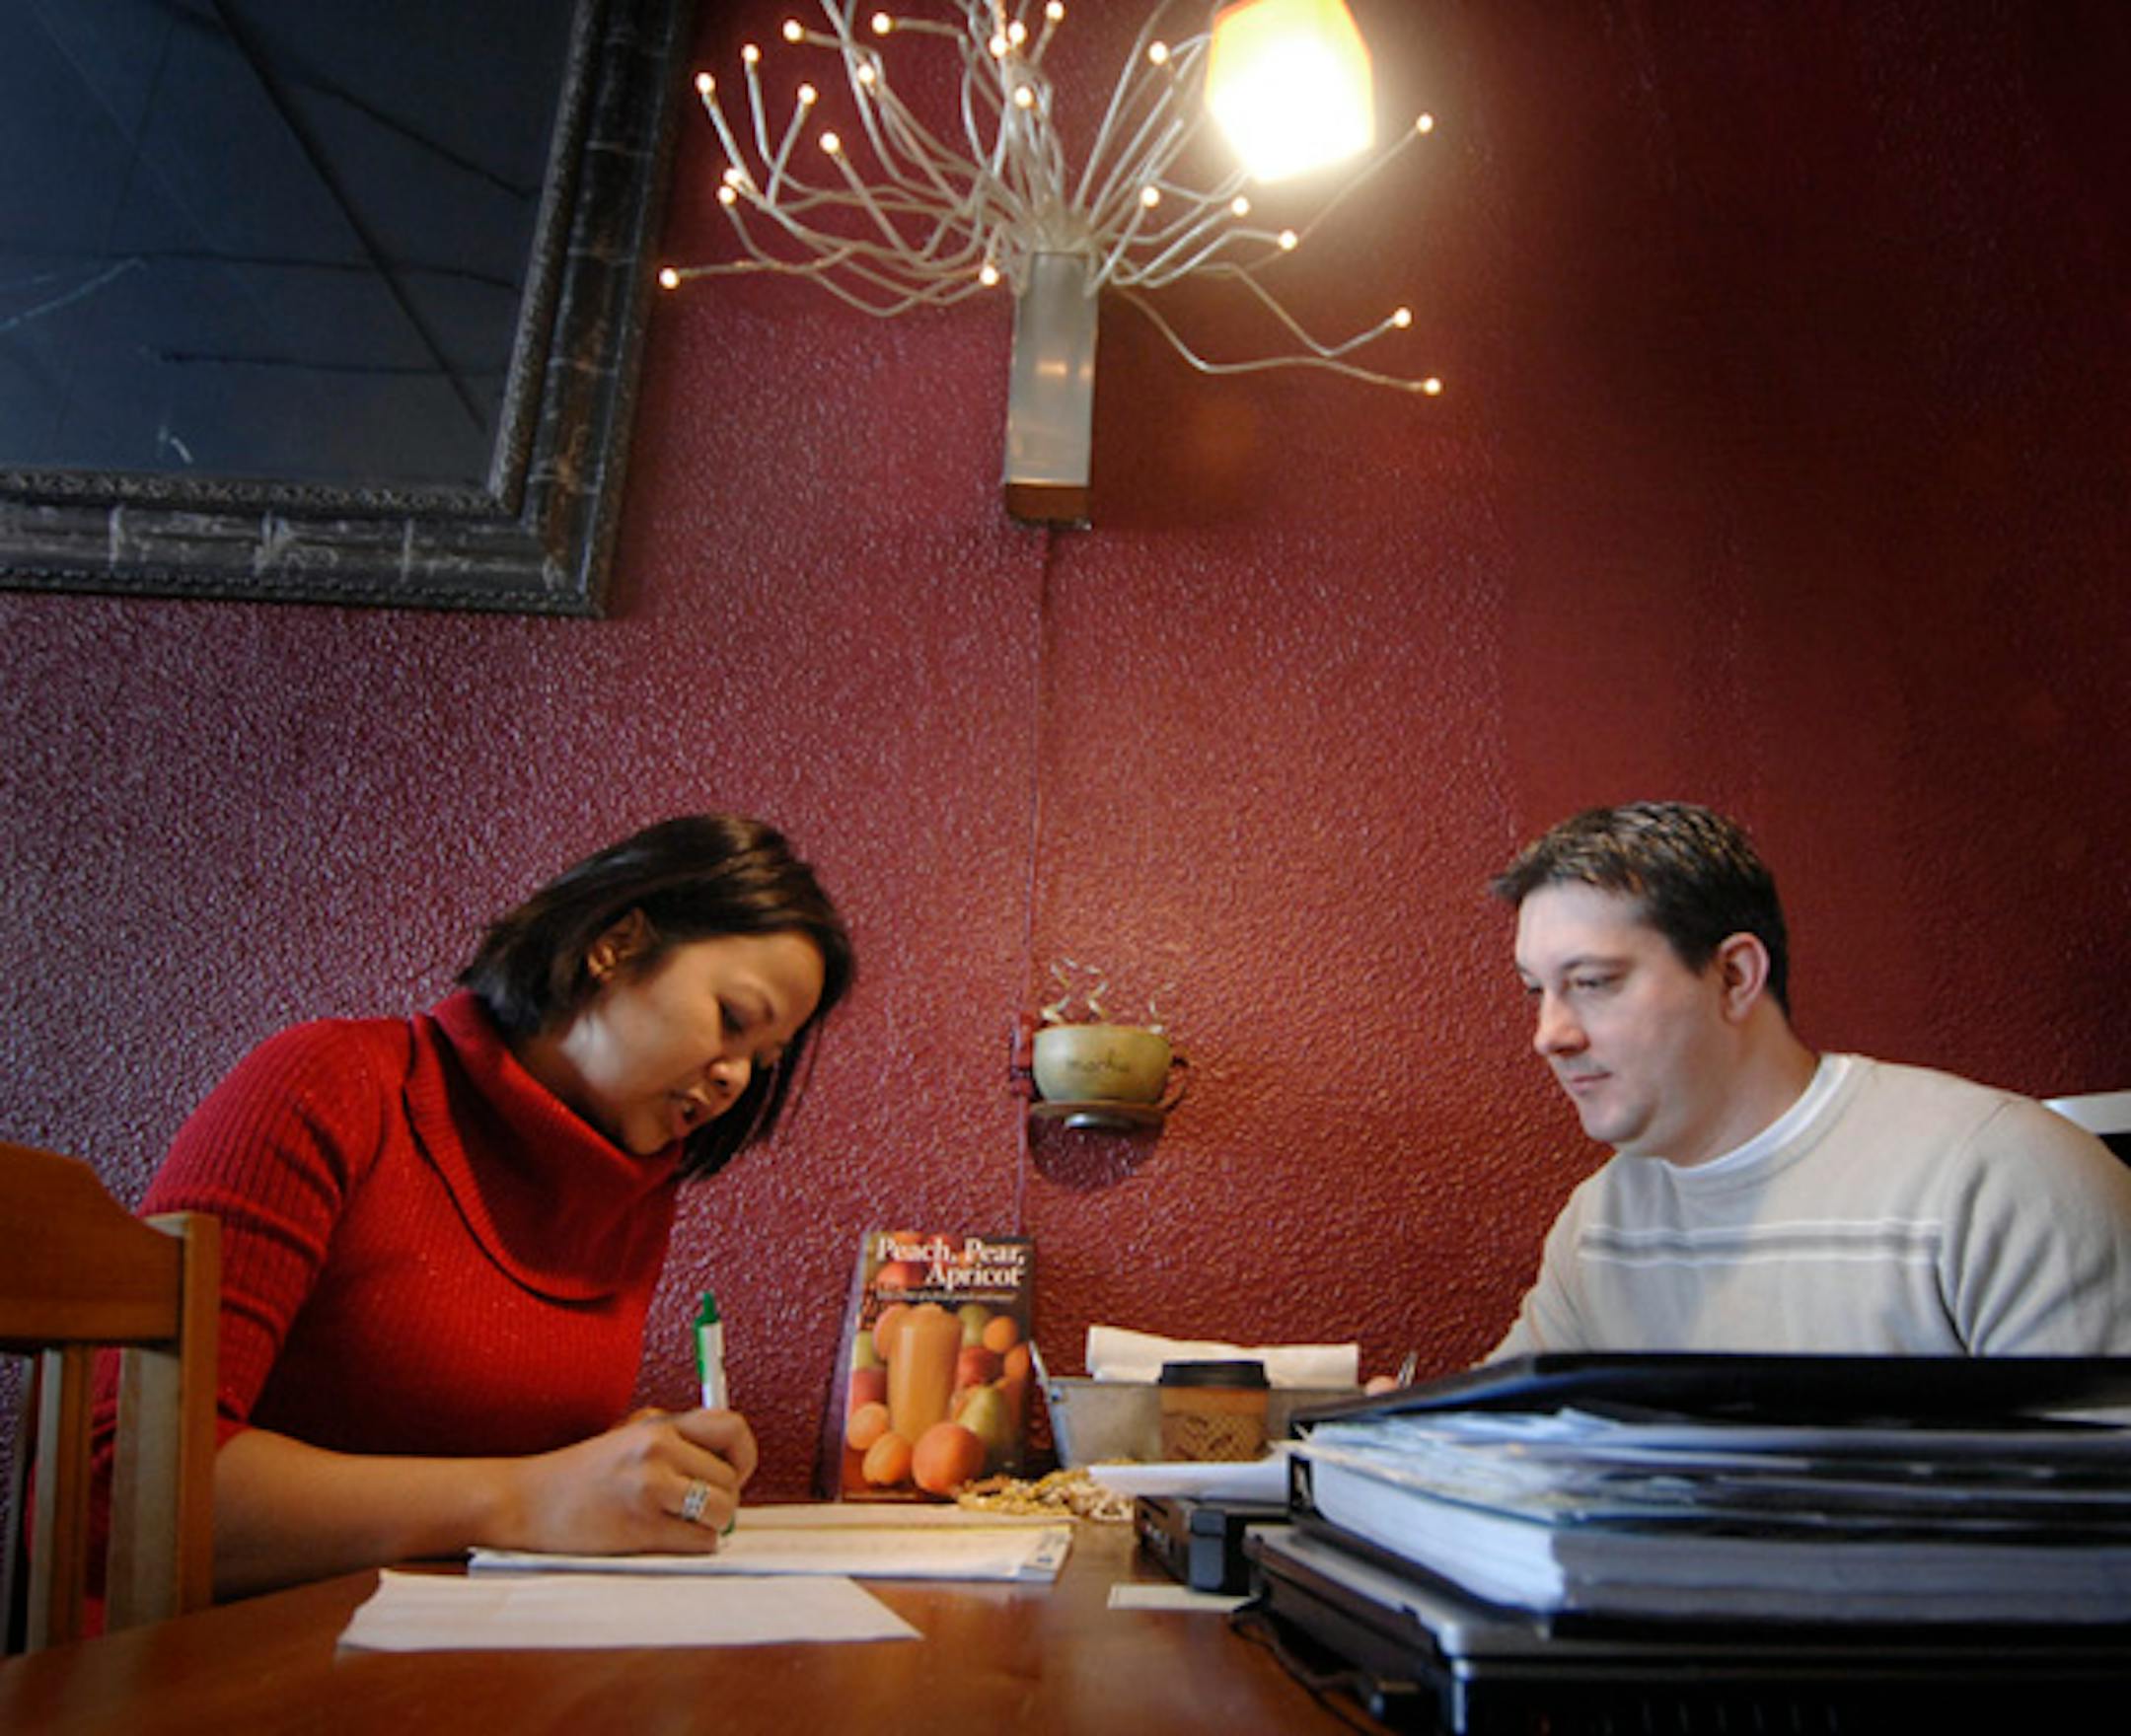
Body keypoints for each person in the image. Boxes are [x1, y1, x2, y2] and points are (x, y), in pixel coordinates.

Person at [92, 815, 854, 1598]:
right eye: (733, 1020)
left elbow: (484, 1454)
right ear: (617, 944)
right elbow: (131, 1487)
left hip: (451, 1656)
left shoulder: (625, 1186)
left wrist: (619, 1463)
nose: (735, 1080)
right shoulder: (330, 1086)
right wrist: (531, 1494)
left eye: (762, 1062)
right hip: (221, 1663)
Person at [1488, 801, 2131, 1359]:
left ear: (1735, 976)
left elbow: (2094, 1490)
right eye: (1535, 991)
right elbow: (1494, 1453)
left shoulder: (1998, 1176)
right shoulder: (1601, 1224)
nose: (1550, 1035)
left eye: (1593, 983)